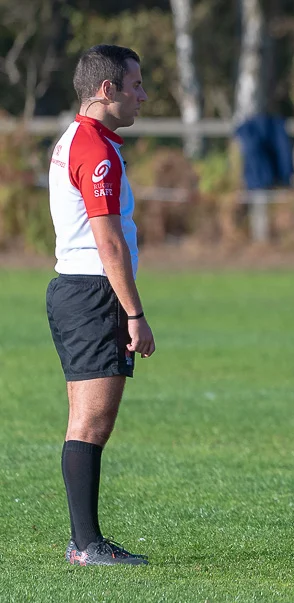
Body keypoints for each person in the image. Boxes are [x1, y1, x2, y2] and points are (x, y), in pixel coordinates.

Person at [46, 44, 153, 566]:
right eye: (135, 86)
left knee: (82, 421)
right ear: (106, 90)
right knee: (92, 422)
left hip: (73, 289)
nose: (143, 96)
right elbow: (107, 242)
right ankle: (87, 545)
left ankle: (82, 541)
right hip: (94, 293)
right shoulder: (94, 149)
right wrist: (134, 313)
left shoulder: (80, 139)